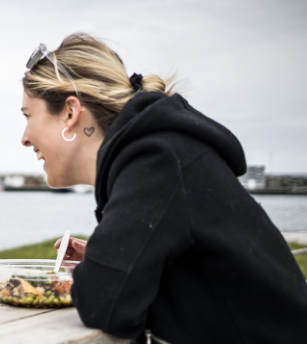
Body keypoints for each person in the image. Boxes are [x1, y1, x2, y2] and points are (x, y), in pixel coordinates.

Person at [19, 33, 307, 343]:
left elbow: (105, 305)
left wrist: (104, 271)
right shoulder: (163, 152)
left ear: (70, 113)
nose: (24, 138)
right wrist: (114, 258)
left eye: (28, 116)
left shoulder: (156, 160)